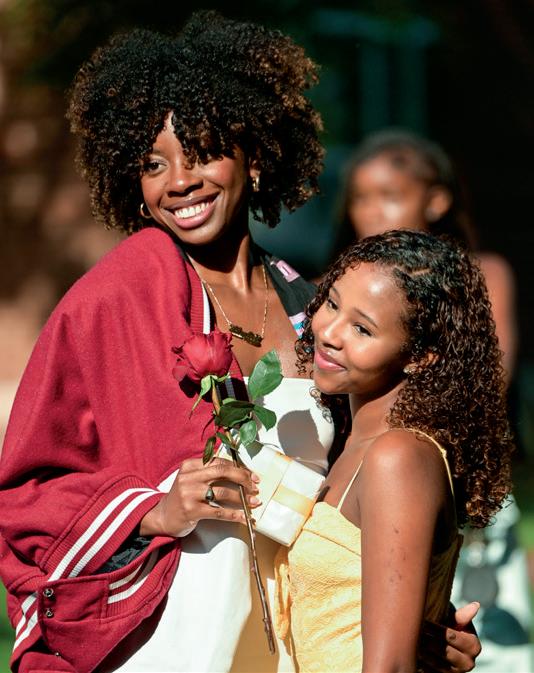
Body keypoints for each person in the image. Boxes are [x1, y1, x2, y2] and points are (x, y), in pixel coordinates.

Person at [0, 14, 481, 673]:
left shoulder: (312, 307)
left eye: (202, 152)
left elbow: (370, 488)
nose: (179, 181)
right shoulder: (124, 290)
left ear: (254, 158)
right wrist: (154, 510)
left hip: (290, 642)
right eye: (152, 164)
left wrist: (416, 620)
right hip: (169, 640)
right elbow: (27, 487)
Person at [275, 229, 514, 673]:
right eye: (332, 303)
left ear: (420, 356)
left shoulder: (398, 456)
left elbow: (391, 667)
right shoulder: (350, 441)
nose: (329, 332)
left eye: (362, 328)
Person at [331, 128, 518, 380]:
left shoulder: (479, 274)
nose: (371, 212)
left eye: (390, 196)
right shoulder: (334, 285)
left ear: (436, 201)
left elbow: (494, 375)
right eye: (360, 198)